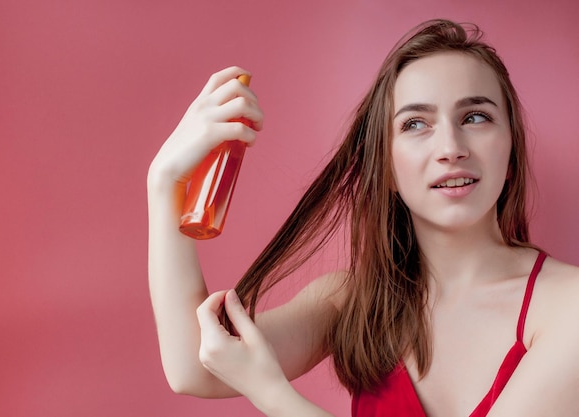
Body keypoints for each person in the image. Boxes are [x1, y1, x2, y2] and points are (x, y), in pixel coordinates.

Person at [147, 19, 579, 416]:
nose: (450, 147)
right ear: (386, 168)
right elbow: (194, 366)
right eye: (415, 124)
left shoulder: (568, 306)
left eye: (476, 116)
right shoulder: (352, 301)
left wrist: (272, 393)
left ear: (511, 151)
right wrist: (166, 182)